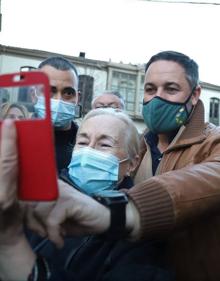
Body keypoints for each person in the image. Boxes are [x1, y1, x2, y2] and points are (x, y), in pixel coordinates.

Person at [0, 110, 174, 281]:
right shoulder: (38, 198)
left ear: (132, 164)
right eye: (82, 142)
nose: (88, 152)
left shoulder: (139, 232)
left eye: (104, 145)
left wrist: (13, 248)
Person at [36, 56, 80, 173]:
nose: (58, 100)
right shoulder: (13, 138)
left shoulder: (87, 146)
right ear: (33, 94)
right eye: (50, 90)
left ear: (77, 98)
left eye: (68, 92)